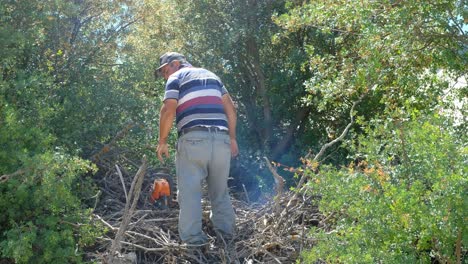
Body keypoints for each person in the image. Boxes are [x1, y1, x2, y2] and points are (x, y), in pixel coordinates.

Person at [155, 52, 238, 246]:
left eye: (165, 71)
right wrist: (232, 138)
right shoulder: (213, 76)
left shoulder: (177, 77)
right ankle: (226, 239)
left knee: (190, 193)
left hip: (193, 140)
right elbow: (231, 109)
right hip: (221, 141)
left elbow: (168, 109)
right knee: (220, 192)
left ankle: (194, 245)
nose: (165, 76)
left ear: (176, 64)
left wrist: (162, 140)